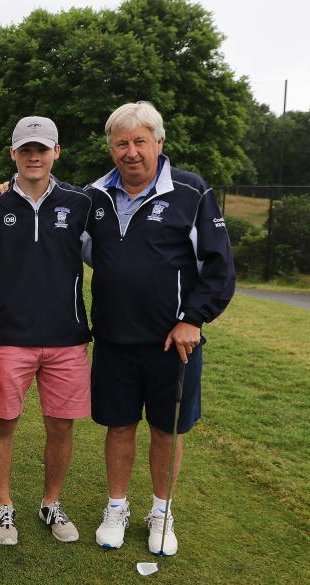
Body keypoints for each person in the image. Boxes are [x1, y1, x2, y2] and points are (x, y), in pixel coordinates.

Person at [84, 102, 234, 555]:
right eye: (121, 143)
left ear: (159, 143)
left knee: (166, 430)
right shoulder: (94, 196)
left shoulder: (191, 191)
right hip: (113, 337)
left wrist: (193, 318)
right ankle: (116, 507)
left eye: (139, 142)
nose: (131, 152)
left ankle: (161, 513)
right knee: (119, 425)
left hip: (174, 342)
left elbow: (219, 265)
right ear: (111, 147)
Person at [0, 116, 92, 546]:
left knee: (61, 425)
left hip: (67, 336)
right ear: (13, 153)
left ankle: (50, 502)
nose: (33, 156)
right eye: (25, 149)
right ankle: (2, 505)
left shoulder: (79, 203)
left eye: (41, 149)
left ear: (56, 153)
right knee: (5, 419)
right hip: (9, 333)